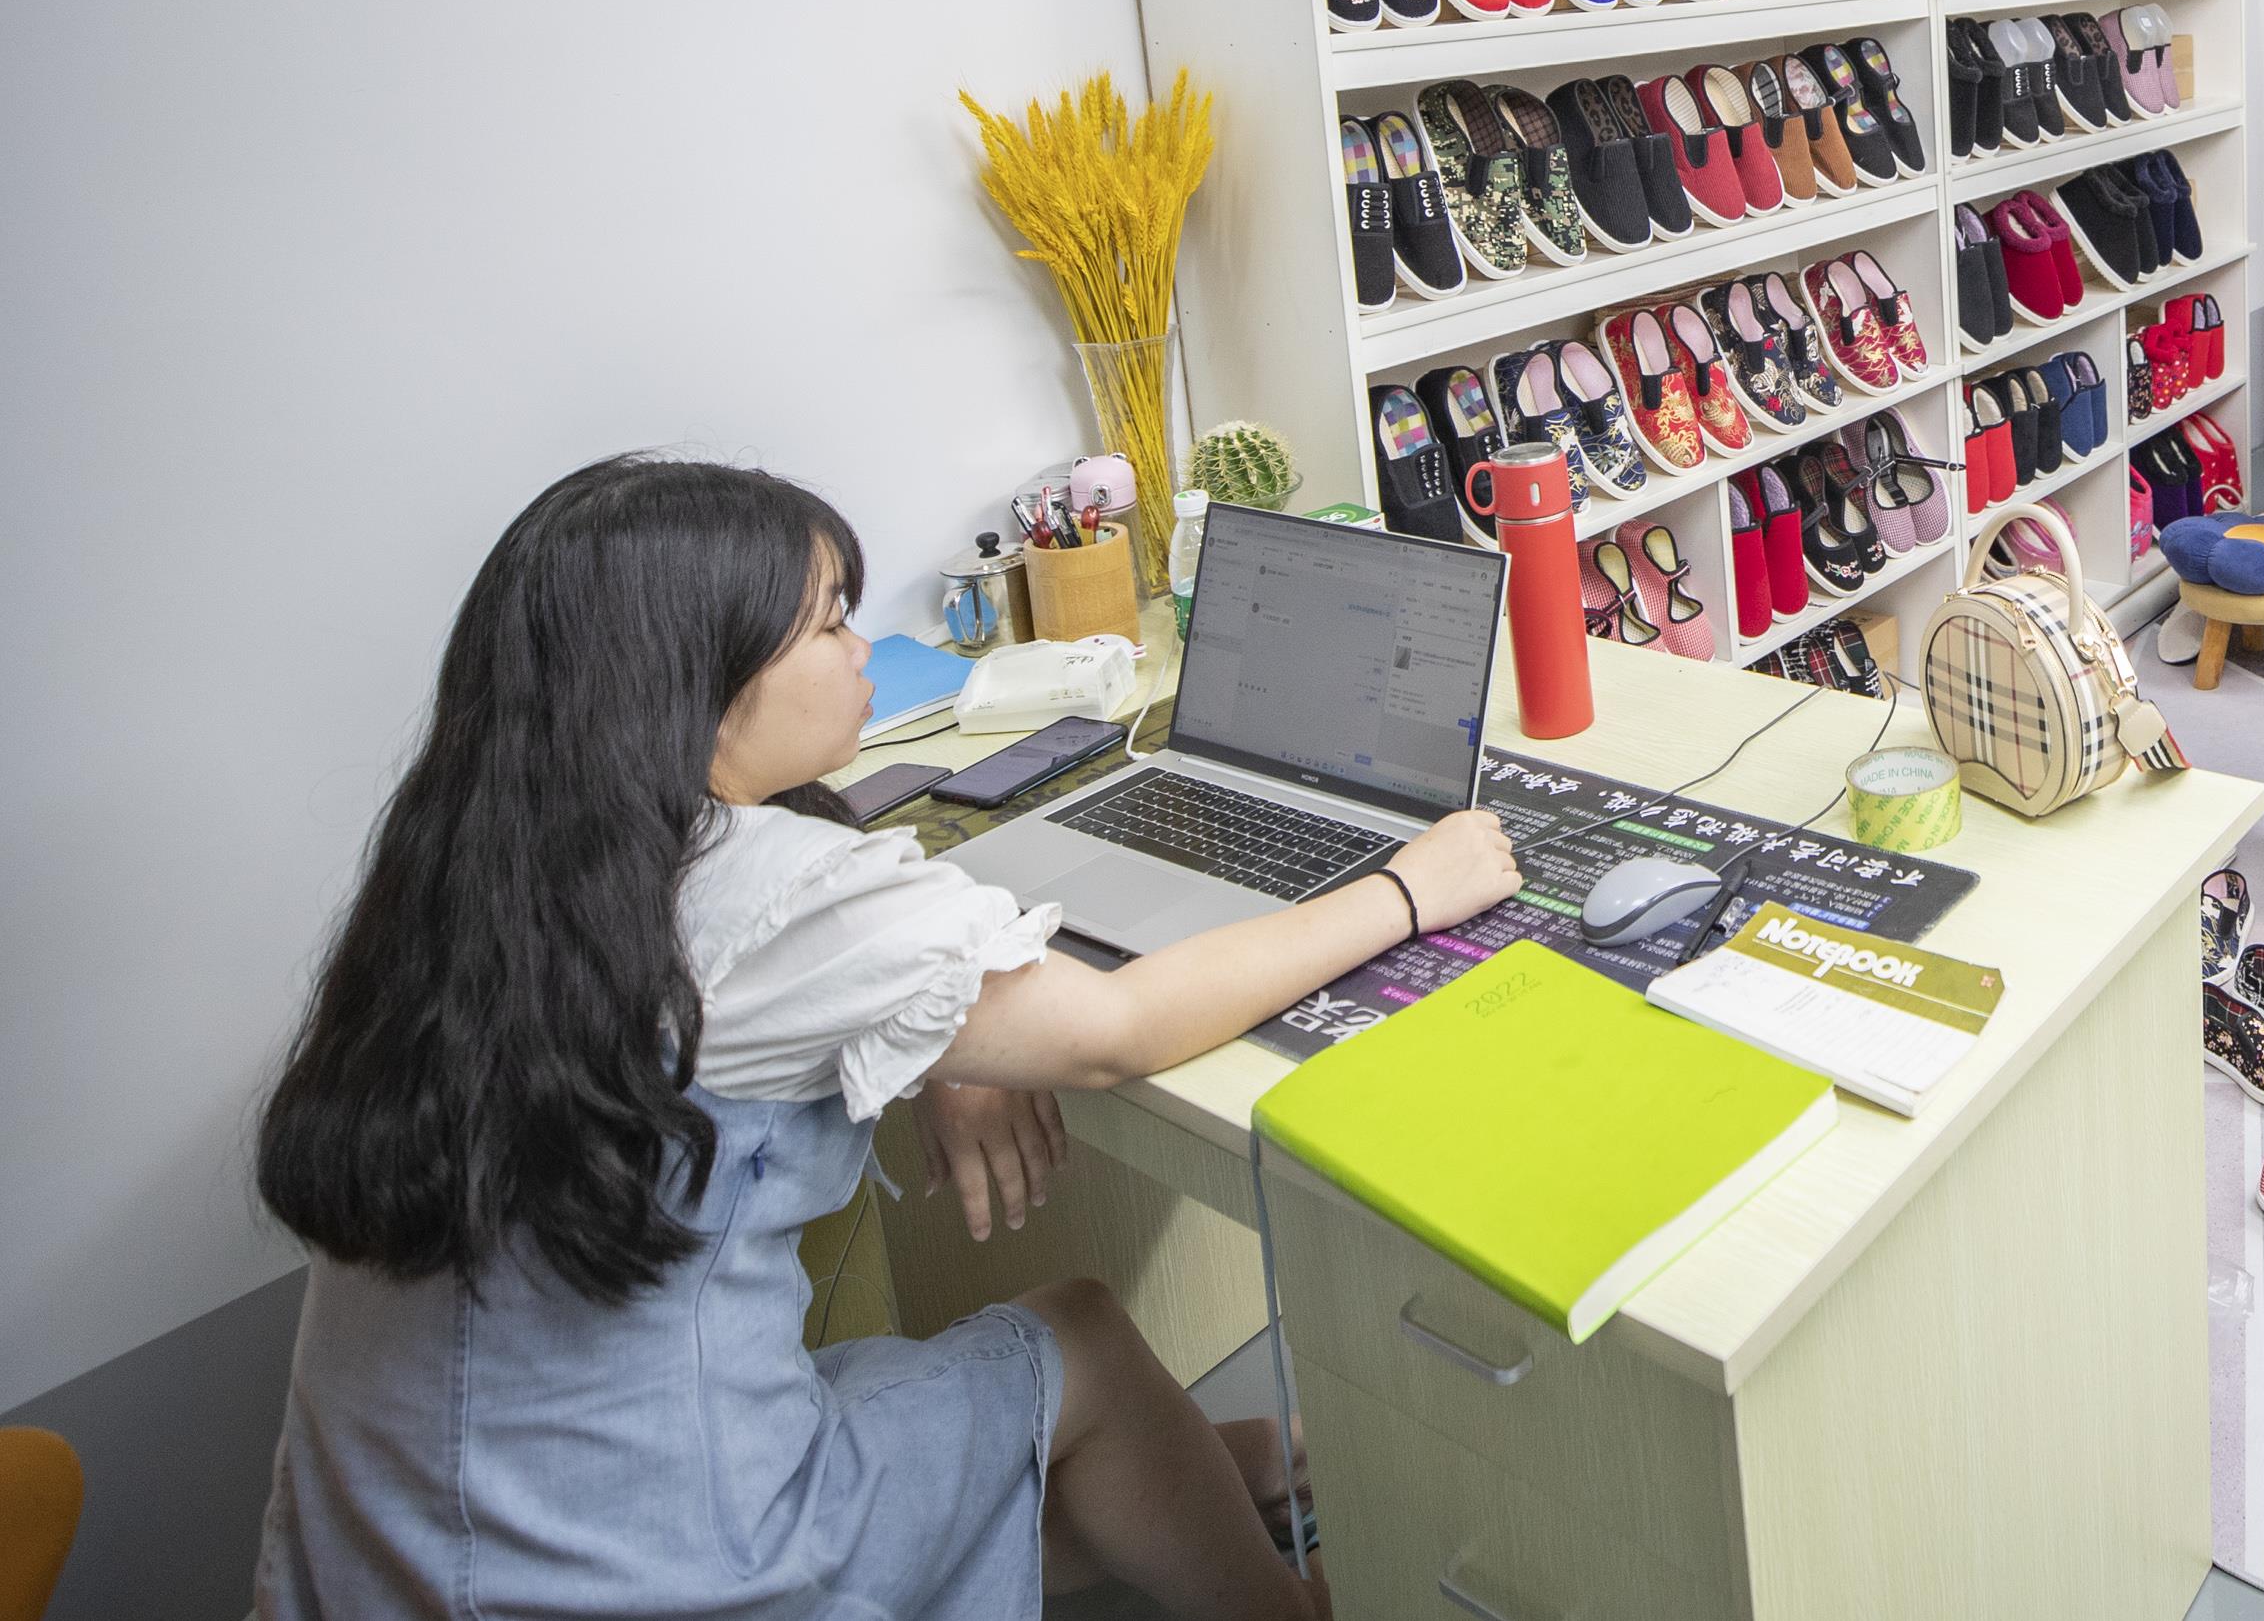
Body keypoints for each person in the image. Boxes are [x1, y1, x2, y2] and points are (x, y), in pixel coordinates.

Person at [250, 455, 1523, 1620]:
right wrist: (1407, 886)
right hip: (666, 1560)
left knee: (1056, 1443)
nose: (867, 650)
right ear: (696, 687)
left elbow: (783, 993)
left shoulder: (470, 870)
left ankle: (1239, 1461)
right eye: (829, 622)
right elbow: (1115, 1030)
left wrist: (943, 1037)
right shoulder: (766, 889)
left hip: (381, 1561)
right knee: (1082, 1335)